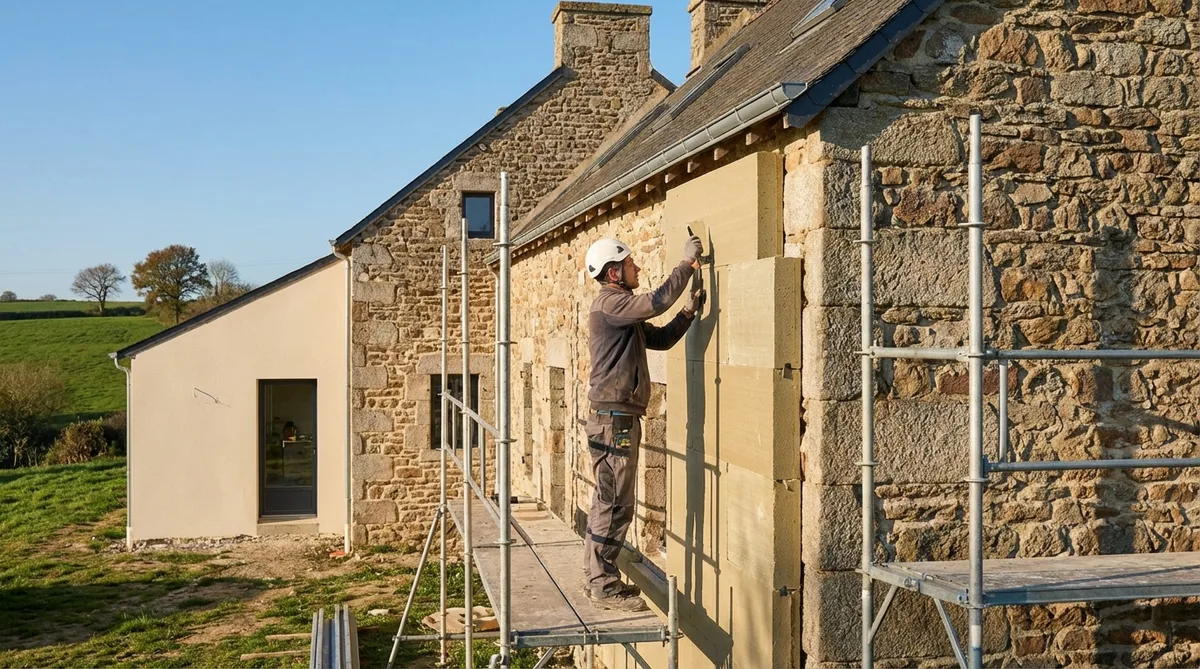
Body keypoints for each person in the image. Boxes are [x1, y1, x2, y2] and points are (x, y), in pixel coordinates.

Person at [581, 233, 705, 611]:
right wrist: (686, 265)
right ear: (615, 272)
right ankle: (601, 584)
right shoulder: (611, 304)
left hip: (616, 419)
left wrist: (687, 314)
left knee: (611, 500)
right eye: (633, 265)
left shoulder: (620, 314)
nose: (639, 269)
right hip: (613, 422)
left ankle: (597, 578)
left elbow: (662, 339)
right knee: (614, 502)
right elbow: (656, 302)